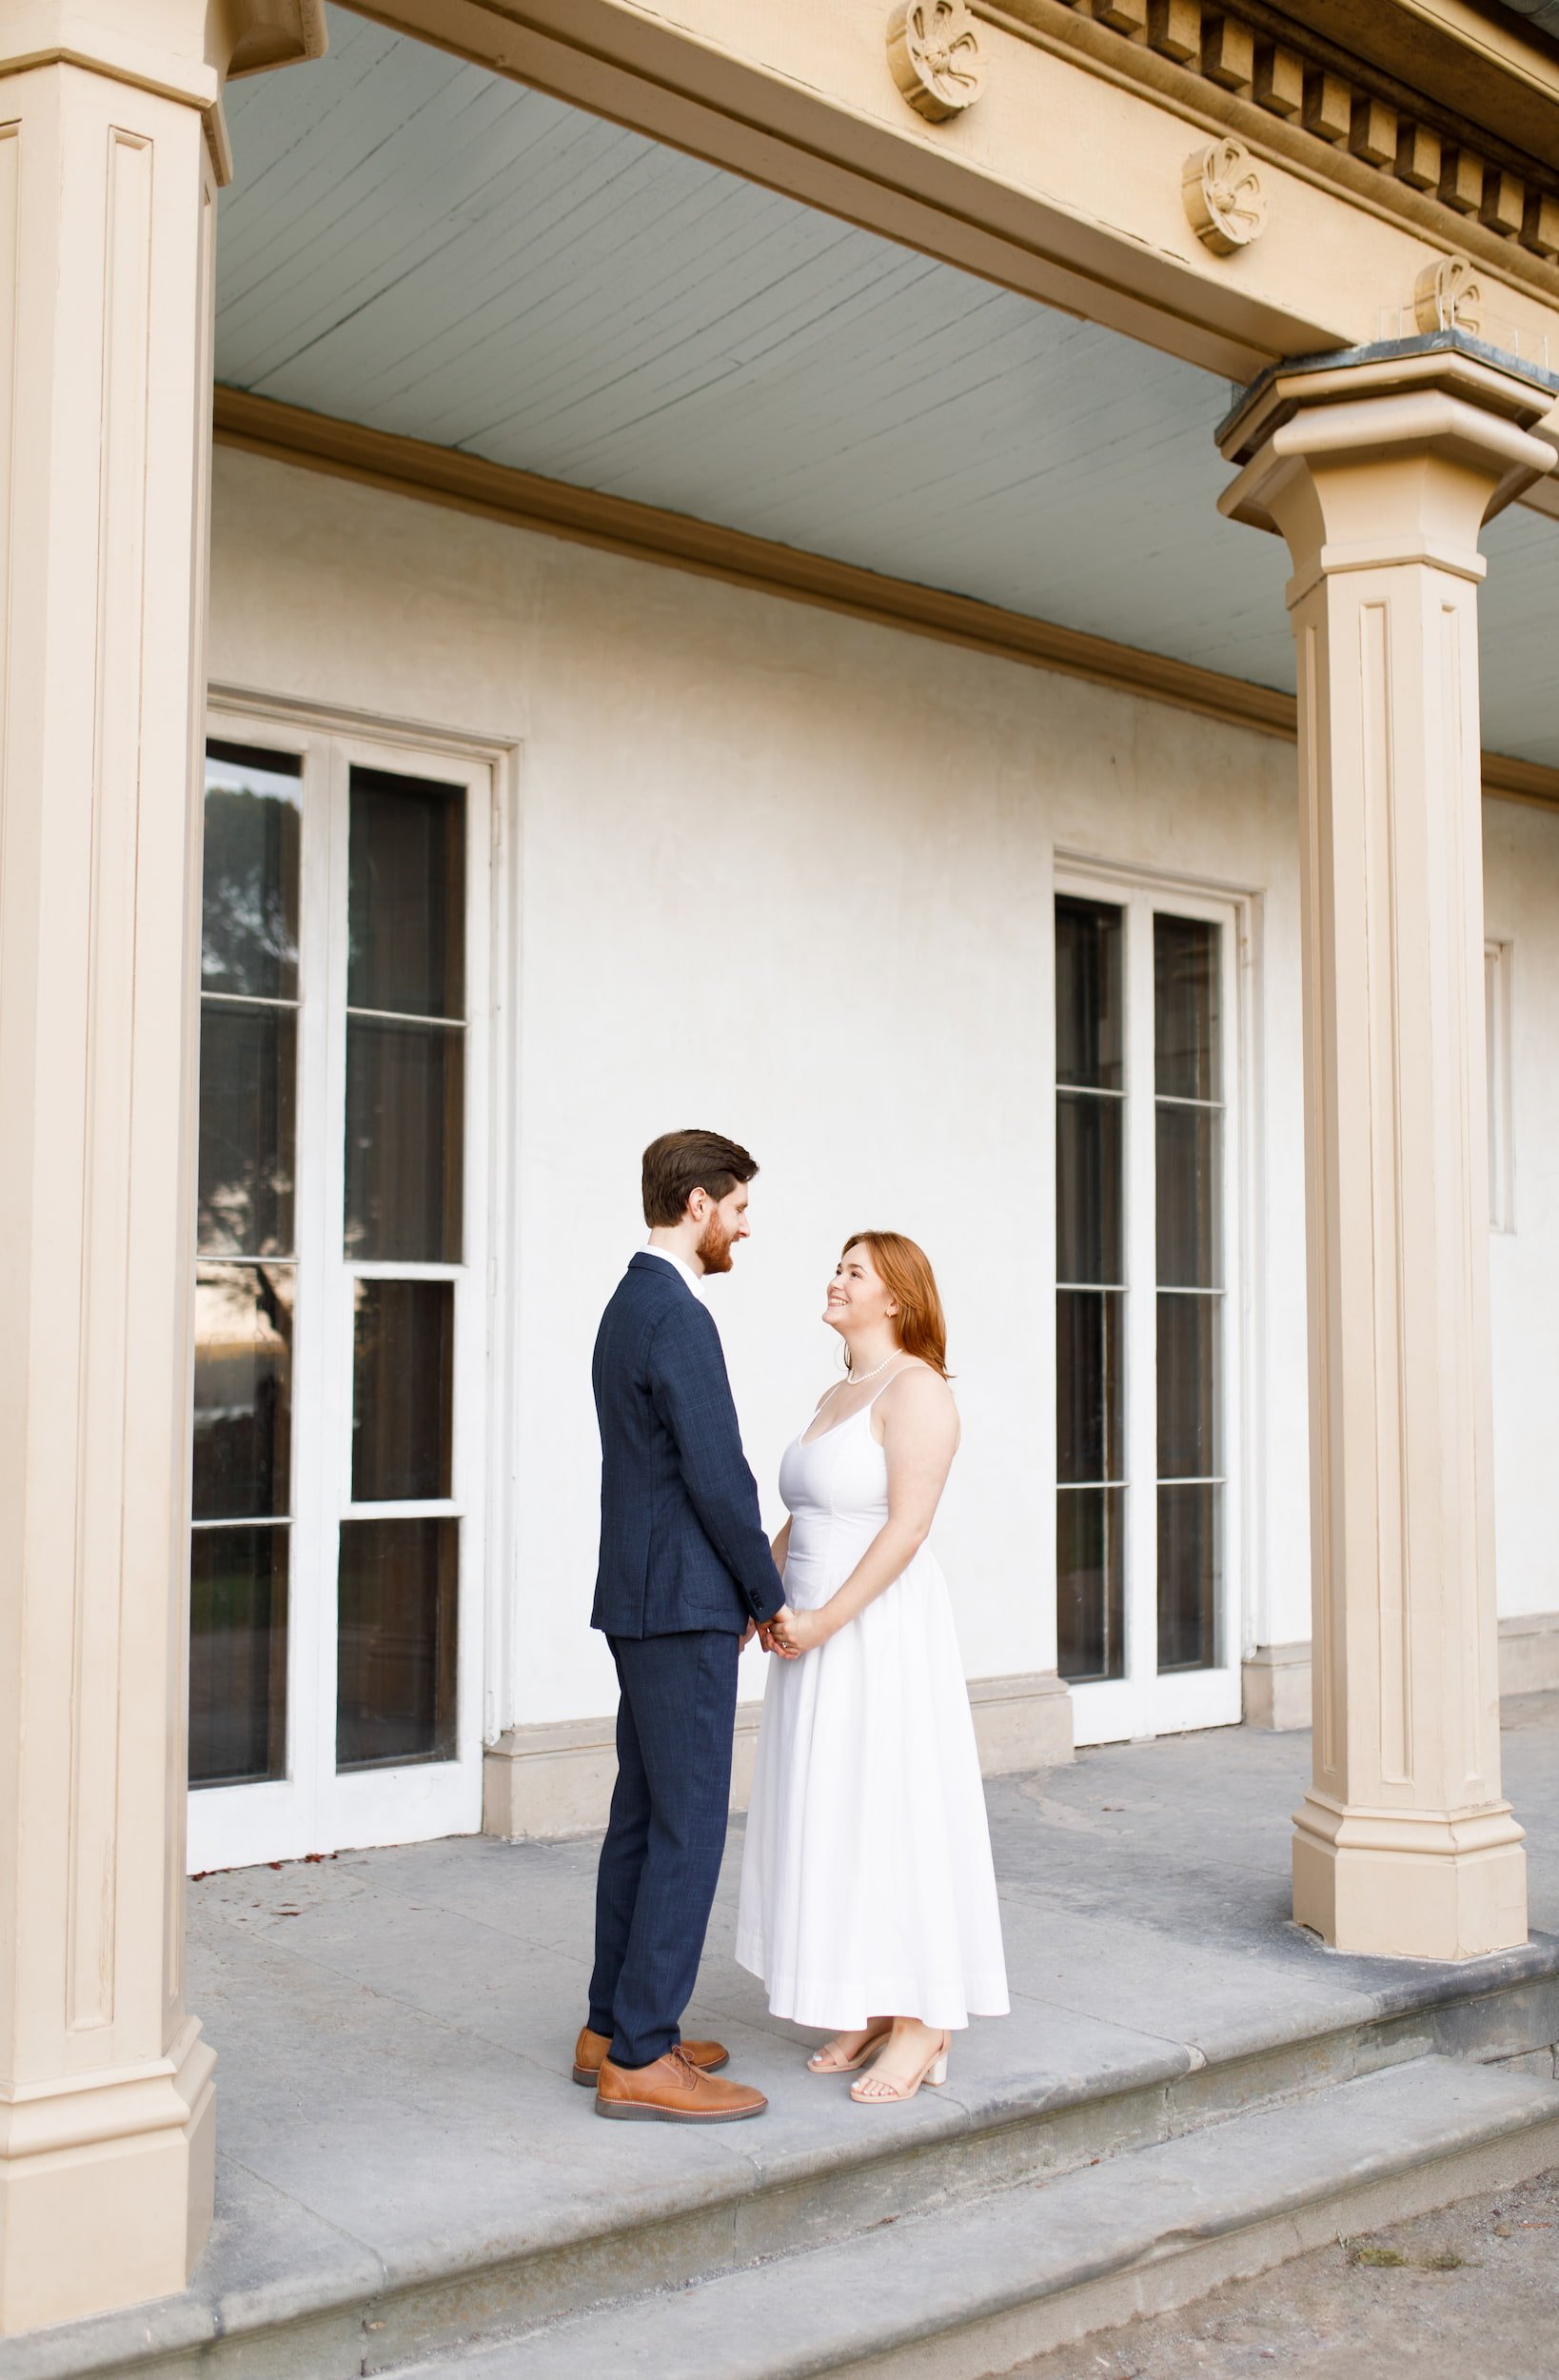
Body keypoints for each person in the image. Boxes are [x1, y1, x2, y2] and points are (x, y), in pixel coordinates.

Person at [736, 1232, 1008, 2103]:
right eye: (839, 1267)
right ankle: (865, 1997)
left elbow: (906, 1528)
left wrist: (823, 1620)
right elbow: (805, 1515)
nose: (835, 1279)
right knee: (833, 1810)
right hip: (809, 1627)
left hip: (874, 1631)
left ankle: (925, 2022)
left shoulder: (917, 1390)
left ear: (894, 1297)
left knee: (890, 1806)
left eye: (854, 1271)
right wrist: (760, 1598)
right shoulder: (836, 1392)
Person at [577, 1129, 793, 2123]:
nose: (745, 1226)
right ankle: (644, 2053)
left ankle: (609, 2025)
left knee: (641, 1813)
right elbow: (717, 1473)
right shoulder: (677, 1314)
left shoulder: (629, 1304)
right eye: (739, 1207)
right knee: (688, 1823)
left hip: (641, 1599)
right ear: (699, 1203)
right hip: (683, 1606)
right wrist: (766, 1591)